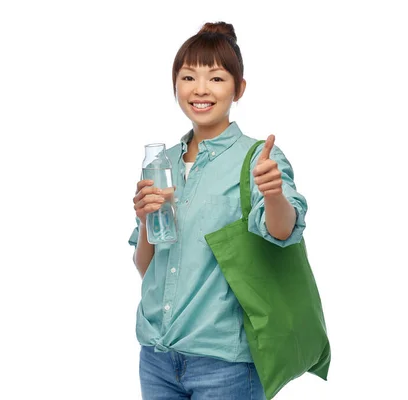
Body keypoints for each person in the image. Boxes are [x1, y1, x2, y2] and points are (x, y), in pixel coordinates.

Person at [128, 21, 308, 400]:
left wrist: (273, 193)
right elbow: (148, 266)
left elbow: (282, 231)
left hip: (224, 363)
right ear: (175, 85)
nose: (200, 90)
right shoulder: (162, 163)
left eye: (216, 78)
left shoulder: (258, 158)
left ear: (238, 88)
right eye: (189, 76)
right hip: (157, 358)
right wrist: (147, 221)